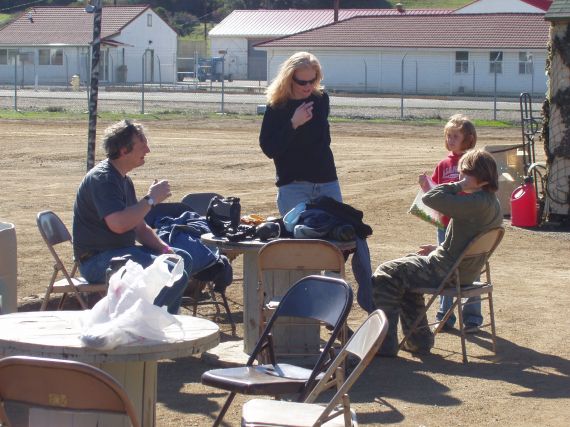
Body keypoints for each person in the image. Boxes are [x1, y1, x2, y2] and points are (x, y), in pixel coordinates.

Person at [372, 149, 502, 356]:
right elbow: (468, 240)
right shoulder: (491, 202)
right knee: (405, 269)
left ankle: (384, 344)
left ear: (476, 176)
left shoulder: (474, 202)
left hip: (447, 271)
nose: (460, 177)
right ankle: (418, 341)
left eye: (464, 173)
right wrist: (439, 248)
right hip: (462, 270)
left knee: (386, 272)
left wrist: (460, 185)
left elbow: (431, 198)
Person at [72, 120, 190, 314]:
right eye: (142, 145)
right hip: (97, 261)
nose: (148, 150)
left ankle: (159, 322)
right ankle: (146, 325)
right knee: (173, 272)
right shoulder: (103, 179)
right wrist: (151, 199)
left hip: (120, 253)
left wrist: (166, 249)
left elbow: (140, 229)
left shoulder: (122, 179)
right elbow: (118, 224)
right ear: (124, 150)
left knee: (181, 259)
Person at [419, 114, 481, 332]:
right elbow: (435, 192)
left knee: (471, 268)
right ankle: (445, 316)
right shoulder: (444, 163)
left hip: (467, 225)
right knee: (445, 268)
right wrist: (426, 185)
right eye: (448, 136)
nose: (451, 139)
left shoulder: (475, 162)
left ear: (469, 139)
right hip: (445, 224)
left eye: (456, 136)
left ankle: (472, 317)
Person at [259, 51, 342, 216]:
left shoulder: (321, 100)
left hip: (327, 181)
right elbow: (269, 148)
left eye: (313, 80)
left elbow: (323, 141)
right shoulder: (277, 106)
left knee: (345, 234)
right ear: (289, 79)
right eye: (302, 82)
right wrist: (293, 124)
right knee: (298, 239)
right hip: (293, 186)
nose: (308, 86)